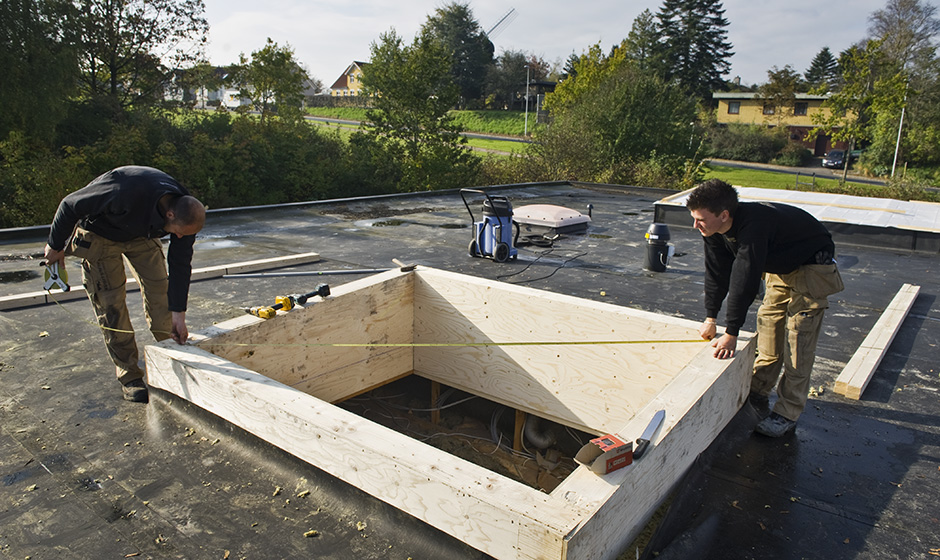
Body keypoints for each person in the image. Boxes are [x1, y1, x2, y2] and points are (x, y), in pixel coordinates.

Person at [686, 179, 844, 437]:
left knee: (797, 340)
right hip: (781, 265)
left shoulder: (754, 225)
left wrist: (732, 332)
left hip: (811, 266)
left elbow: (744, 277)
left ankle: (787, 412)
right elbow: (717, 272)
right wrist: (711, 317)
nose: (695, 225)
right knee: (769, 324)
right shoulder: (712, 230)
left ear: (724, 215)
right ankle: (759, 387)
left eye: (700, 219)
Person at [43, 166, 206, 403]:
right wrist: (55, 246)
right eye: (178, 234)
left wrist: (179, 314)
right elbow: (70, 204)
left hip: (141, 235)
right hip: (102, 235)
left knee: (160, 290)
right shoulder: (123, 191)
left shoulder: (186, 213)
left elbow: (180, 264)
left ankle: (172, 352)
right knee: (111, 304)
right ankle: (129, 375)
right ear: (169, 215)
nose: (179, 238)